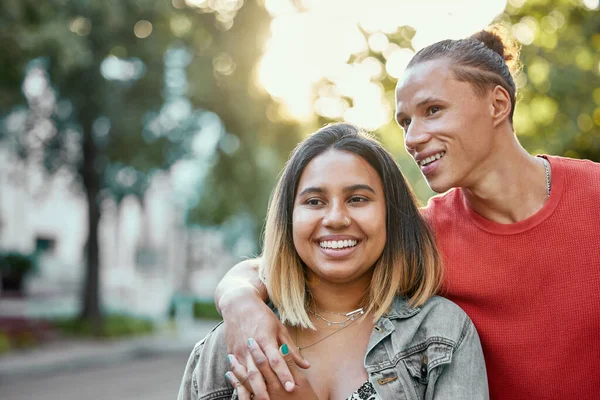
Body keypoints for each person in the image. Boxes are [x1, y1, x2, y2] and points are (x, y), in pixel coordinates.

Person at [213, 27, 600, 399]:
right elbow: (278, 262)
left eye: (433, 110)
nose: (413, 138)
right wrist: (240, 303)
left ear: (498, 104)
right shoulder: (424, 235)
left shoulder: (594, 194)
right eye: (405, 121)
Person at [178, 123, 489, 399]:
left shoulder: (440, 333)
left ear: (391, 215)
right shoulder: (231, 343)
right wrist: (237, 297)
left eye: (357, 199)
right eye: (314, 202)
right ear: (289, 220)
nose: (336, 218)